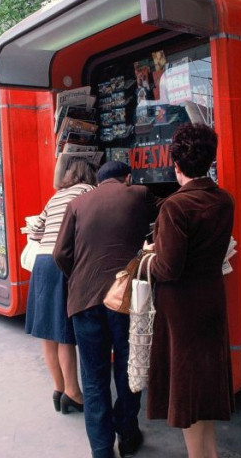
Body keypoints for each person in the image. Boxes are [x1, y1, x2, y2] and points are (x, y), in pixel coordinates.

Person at [54, 161, 160, 458]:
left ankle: (101, 450)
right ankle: (127, 435)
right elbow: (169, 214)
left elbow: (61, 254)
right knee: (130, 370)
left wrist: (81, 278)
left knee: (93, 377)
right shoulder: (138, 194)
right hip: (125, 300)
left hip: (84, 300)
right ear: (127, 178)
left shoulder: (77, 203)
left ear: (99, 182)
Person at [145, 123, 235, 458]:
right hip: (211, 299)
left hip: (181, 310)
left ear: (176, 165)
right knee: (205, 387)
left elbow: (169, 267)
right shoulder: (224, 200)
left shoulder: (174, 207)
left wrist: (146, 258)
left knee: (186, 391)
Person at [25, 157, 96, 415]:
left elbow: (35, 234)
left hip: (41, 263)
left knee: (48, 333)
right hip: (61, 264)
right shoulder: (88, 191)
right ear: (89, 173)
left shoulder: (55, 197)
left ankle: (59, 388)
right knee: (65, 333)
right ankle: (74, 393)